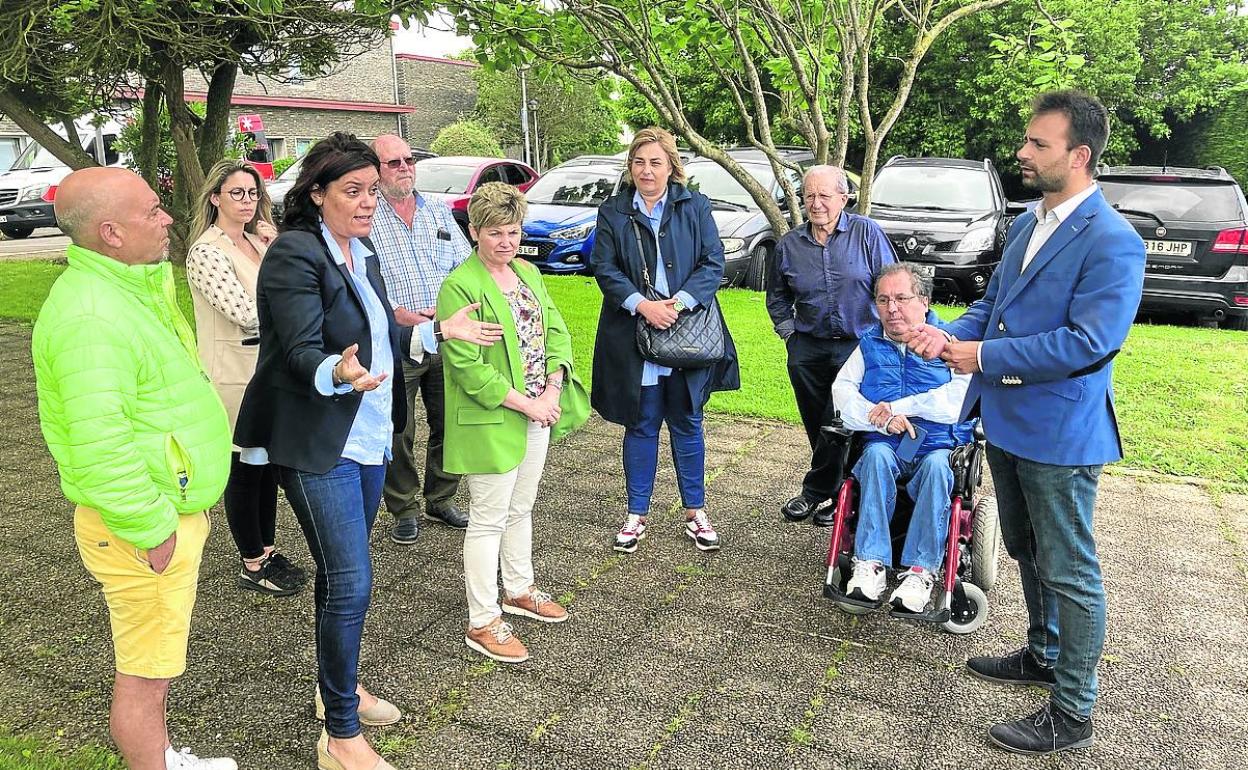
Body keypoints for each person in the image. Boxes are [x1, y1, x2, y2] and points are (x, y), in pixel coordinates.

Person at [233, 133, 503, 770]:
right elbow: (297, 350)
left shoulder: (364, 251)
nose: (366, 203)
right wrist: (338, 369)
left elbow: (381, 331)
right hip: (317, 439)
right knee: (353, 578)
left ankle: (339, 693)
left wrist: (441, 328)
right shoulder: (295, 255)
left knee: (343, 576)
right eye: (352, 191)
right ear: (317, 193)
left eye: (371, 191)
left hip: (371, 434)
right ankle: (341, 734)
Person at [905, 90, 1146, 755]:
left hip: (1062, 437)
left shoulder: (1113, 242)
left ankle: (1072, 713)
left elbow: (1086, 344)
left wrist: (978, 355)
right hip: (1007, 424)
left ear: (1080, 154)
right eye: (1027, 140)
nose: (1023, 152)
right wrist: (946, 336)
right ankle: (1043, 654)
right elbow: (994, 307)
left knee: (1071, 571)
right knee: (1025, 550)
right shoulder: (1031, 221)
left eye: (1038, 143)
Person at [32, 167, 235, 769]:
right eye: (152, 210)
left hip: (161, 513)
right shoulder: (90, 318)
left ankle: (163, 757)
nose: (168, 216)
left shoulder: (129, 289)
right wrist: (151, 527)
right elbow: (100, 445)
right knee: (145, 672)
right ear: (111, 233)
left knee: (157, 662)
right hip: (142, 524)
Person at [438, 182, 590, 663]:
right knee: (486, 520)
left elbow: (556, 331)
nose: (506, 242)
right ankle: (482, 619)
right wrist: (527, 404)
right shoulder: (458, 286)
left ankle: (519, 589)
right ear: (474, 232)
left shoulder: (526, 272)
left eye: (513, 231)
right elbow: (467, 367)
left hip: (538, 409)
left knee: (521, 507)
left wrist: (551, 388)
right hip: (494, 417)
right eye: (495, 233)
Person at [589, 127, 740, 555]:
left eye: (656, 162)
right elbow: (604, 267)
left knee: (688, 422)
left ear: (672, 166)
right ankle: (636, 515)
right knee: (641, 424)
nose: (647, 170)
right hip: (635, 333)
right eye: (639, 162)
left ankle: (695, 511)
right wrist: (642, 305)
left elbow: (714, 261)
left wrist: (681, 303)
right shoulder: (613, 211)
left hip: (687, 332)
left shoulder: (696, 206)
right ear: (630, 166)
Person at [185, 158, 304, 598]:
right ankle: (252, 561)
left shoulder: (259, 241)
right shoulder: (207, 252)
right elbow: (247, 313)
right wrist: (298, 317)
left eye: (253, 193)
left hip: (267, 371)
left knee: (267, 465)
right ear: (215, 197)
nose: (247, 201)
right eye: (236, 193)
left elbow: (291, 283)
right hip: (234, 375)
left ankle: (268, 549)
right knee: (243, 467)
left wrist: (275, 249)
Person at [832, 263, 972, 612]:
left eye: (901, 298)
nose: (891, 308)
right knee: (875, 457)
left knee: (939, 468)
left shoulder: (949, 344)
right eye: (883, 300)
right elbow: (842, 393)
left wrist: (899, 407)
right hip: (886, 445)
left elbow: (958, 402)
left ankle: (920, 573)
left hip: (938, 447)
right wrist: (880, 420)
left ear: (923, 301)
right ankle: (869, 565)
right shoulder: (868, 347)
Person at [767, 165, 897, 526]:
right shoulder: (790, 245)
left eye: (825, 195)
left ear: (844, 197)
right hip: (807, 346)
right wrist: (790, 335)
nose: (817, 203)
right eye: (810, 195)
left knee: (839, 419)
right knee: (817, 422)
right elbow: (777, 297)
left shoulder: (867, 233)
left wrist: (888, 336)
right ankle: (843, 494)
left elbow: (891, 286)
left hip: (859, 344)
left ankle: (816, 492)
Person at [369, 134, 474, 544]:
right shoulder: (367, 218)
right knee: (399, 427)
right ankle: (404, 506)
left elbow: (465, 267)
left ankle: (441, 496)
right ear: (376, 171)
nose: (404, 168)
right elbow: (365, 280)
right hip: (400, 338)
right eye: (393, 162)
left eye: (408, 160)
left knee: (452, 420)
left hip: (448, 334)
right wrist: (399, 314)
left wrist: (449, 311)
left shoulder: (439, 213)